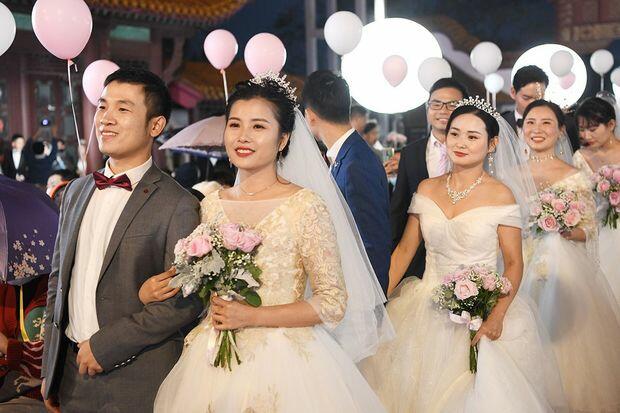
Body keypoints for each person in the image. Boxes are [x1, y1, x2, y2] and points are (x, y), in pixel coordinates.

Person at [153, 73, 391, 412]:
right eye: (235, 125)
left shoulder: (306, 205)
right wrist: (156, 288)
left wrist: (253, 316)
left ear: (283, 139)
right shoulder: (212, 204)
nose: (243, 136)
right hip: (213, 357)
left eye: (258, 127)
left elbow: (332, 302)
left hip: (286, 363)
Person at [361, 97, 565, 412]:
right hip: (424, 306)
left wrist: (496, 317)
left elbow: (513, 263)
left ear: (492, 144)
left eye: (472, 136)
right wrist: (378, 302)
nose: (460, 143)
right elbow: (404, 251)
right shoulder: (427, 188)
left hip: (478, 310)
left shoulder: (501, 195)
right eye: (454, 134)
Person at [40, 68, 203, 413]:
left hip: (136, 380)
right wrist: (49, 369)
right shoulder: (75, 191)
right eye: (102, 106)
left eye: (123, 109)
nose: (106, 119)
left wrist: (107, 346)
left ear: (155, 125)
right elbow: (58, 280)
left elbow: (184, 302)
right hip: (70, 375)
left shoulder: (178, 203)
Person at [519, 99, 620, 412]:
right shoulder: (508, 174)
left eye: (546, 123)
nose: (537, 129)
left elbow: (588, 230)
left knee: (565, 345)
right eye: (530, 122)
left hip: (561, 268)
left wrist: (560, 226)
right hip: (517, 264)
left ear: (561, 130)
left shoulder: (574, 175)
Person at [302, 70, 391, 293]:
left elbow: (373, 243)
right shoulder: (347, 155)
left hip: (360, 293)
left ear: (310, 116)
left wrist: (372, 303)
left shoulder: (356, 164)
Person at [390, 78, 468, 281]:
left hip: (464, 254)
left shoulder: (474, 151)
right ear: (428, 108)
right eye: (436, 104)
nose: (443, 110)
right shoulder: (410, 153)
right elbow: (400, 206)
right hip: (418, 259)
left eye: (452, 105)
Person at [572, 97, 620, 305]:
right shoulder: (580, 157)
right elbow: (581, 200)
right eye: (582, 129)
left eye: (592, 129)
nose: (586, 135)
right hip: (599, 229)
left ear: (611, 124)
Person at [0, 276, 48, 412]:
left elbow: (52, 360)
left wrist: (6, 347)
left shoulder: (54, 291)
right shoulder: (5, 285)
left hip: (35, 392)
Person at [502, 65, 548, 132]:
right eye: (526, 98)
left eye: (538, 98)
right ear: (513, 92)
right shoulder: (499, 123)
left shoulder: (553, 123)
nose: (533, 104)